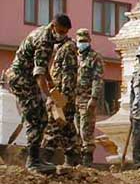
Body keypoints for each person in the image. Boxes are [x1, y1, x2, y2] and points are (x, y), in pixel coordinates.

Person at [6, 14, 71, 173]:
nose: (62, 35)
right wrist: (48, 96)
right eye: (61, 31)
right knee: (37, 116)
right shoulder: (44, 41)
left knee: (39, 116)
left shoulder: (44, 33)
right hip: (22, 79)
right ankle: (33, 161)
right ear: (54, 26)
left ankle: (35, 158)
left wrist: (51, 83)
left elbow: (42, 67)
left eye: (65, 32)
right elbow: (39, 74)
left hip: (24, 78)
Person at [45, 28, 79, 165]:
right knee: (67, 129)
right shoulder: (61, 48)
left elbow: (68, 74)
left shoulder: (67, 48)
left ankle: (44, 158)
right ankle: (73, 158)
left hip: (62, 96)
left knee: (53, 126)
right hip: (60, 94)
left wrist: (62, 98)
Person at [73, 28, 102, 166]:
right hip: (74, 99)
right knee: (75, 129)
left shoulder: (95, 57)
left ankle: (87, 160)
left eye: (84, 41)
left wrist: (94, 98)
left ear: (89, 41)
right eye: (80, 41)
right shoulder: (73, 56)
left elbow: (98, 79)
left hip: (87, 99)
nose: (82, 43)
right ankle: (76, 160)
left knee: (86, 129)